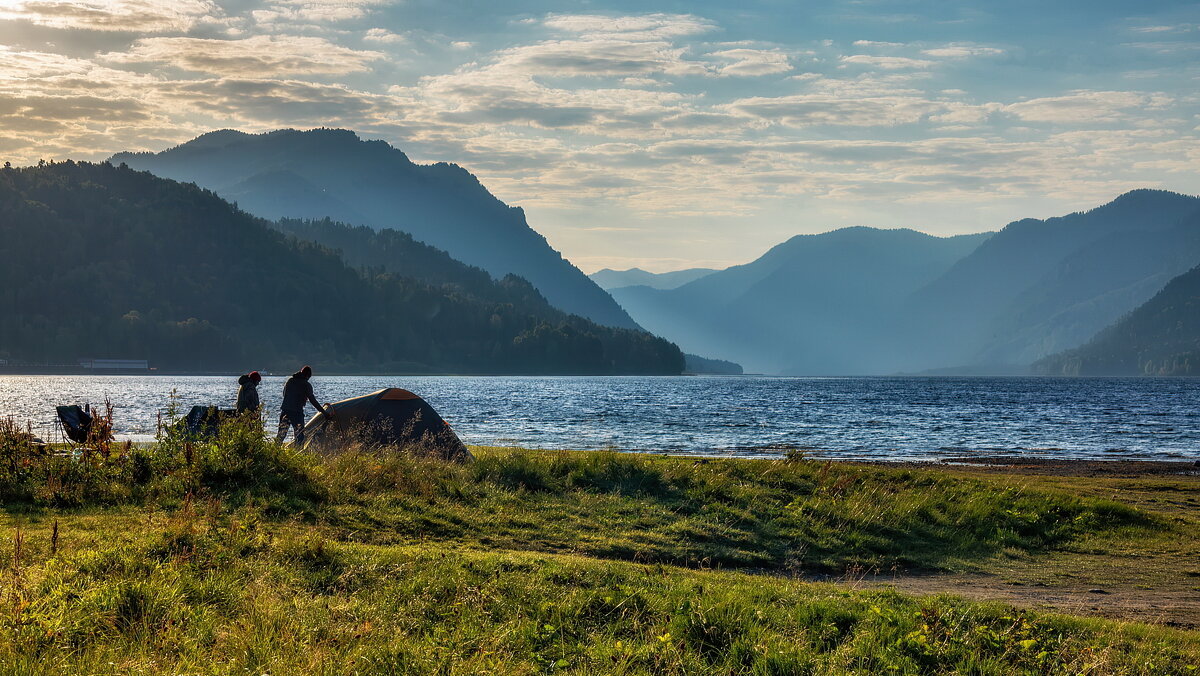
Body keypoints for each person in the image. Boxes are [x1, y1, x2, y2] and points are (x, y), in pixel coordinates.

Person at [275, 365, 326, 444]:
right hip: (297, 412)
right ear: (308, 376)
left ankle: (274, 452)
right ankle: (297, 453)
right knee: (299, 436)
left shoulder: (290, 381)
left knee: (281, 435)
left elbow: (284, 394)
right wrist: (324, 412)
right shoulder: (306, 385)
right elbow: (313, 401)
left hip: (285, 410)